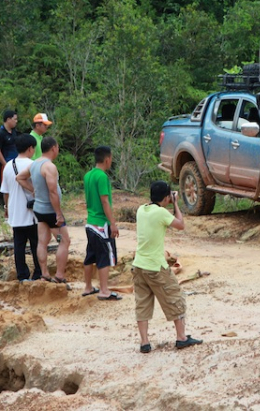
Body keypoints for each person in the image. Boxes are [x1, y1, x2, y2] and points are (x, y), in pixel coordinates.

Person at [133, 181, 202, 353]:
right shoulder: (161, 213)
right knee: (174, 297)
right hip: (156, 266)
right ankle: (181, 337)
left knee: (142, 303)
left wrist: (168, 200)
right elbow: (180, 224)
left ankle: (144, 342)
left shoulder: (141, 210)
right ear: (166, 198)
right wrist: (176, 204)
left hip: (139, 265)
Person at [16, 137, 70, 283]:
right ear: (54, 148)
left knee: (42, 242)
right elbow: (53, 192)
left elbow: (20, 177)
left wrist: (33, 190)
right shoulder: (49, 167)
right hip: (50, 210)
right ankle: (59, 275)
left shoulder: (34, 164)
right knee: (64, 241)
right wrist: (58, 213)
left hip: (39, 209)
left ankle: (44, 274)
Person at [0, 134, 42, 282]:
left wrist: (7, 208)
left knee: (19, 246)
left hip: (15, 212)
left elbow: (5, 191)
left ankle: (22, 275)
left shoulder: (7, 167)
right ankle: (38, 273)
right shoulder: (33, 165)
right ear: (30, 148)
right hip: (32, 213)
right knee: (36, 243)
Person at [82, 146, 121, 300]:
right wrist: (113, 223)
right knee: (104, 256)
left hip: (90, 222)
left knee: (90, 256)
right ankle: (104, 290)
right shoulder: (102, 177)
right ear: (107, 159)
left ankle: (88, 286)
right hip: (101, 224)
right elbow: (105, 201)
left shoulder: (88, 175)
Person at [0, 110, 19, 208]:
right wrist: (4, 163)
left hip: (14, 162)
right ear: (8, 119)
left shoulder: (14, 132)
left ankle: (11, 203)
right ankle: (0, 204)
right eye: (14, 119)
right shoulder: (0, 133)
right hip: (4, 162)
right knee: (3, 183)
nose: (16, 121)